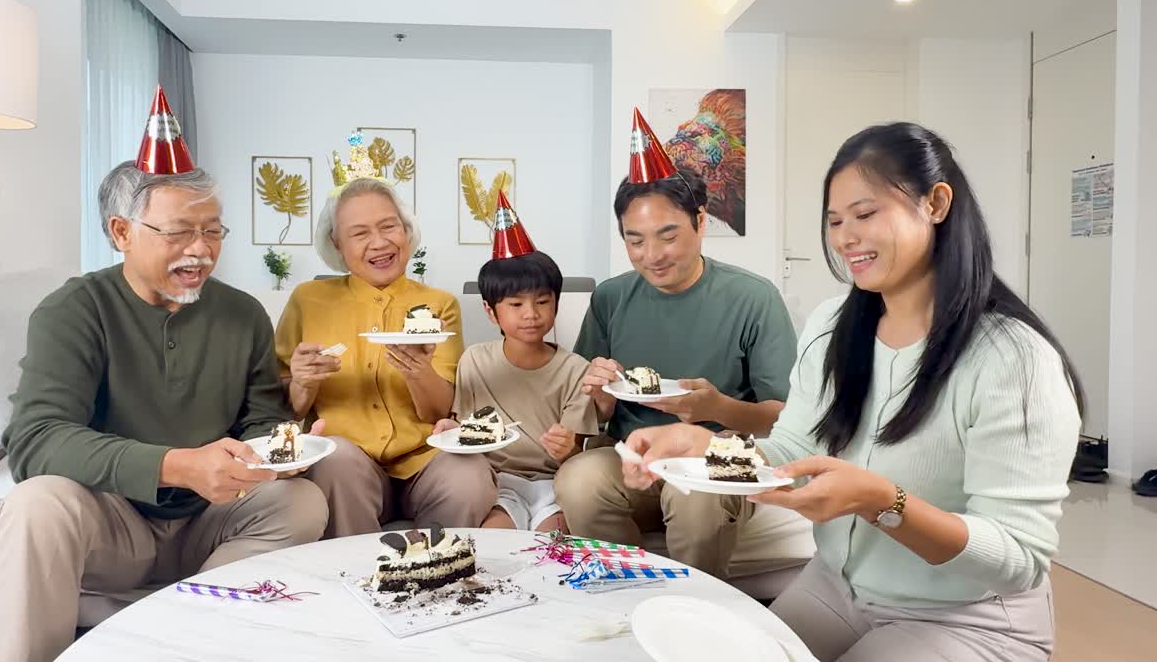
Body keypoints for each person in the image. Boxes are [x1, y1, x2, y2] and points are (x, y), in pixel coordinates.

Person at [624, 122, 1081, 661]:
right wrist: (703, 447)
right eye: (835, 221)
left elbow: (1018, 559)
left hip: (968, 615)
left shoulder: (1013, 359)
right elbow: (791, 451)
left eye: (865, 215)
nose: (844, 238)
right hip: (839, 587)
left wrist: (881, 502)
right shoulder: (832, 326)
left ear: (935, 203)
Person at [0, 87, 329, 662]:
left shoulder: (241, 313)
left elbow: (262, 416)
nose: (201, 251)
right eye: (179, 233)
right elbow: (35, 441)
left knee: (301, 502)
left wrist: (268, 455)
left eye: (213, 231)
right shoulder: (75, 310)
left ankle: (188, 631)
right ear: (121, 232)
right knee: (37, 503)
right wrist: (177, 465)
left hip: (208, 522)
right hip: (114, 523)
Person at [555, 108, 812, 580]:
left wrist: (717, 407)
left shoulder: (753, 298)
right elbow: (593, 411)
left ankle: (693, 614)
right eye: (635, 241)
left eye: (667, 235)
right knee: (578, 480)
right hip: (632, 458)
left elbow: (786, 416)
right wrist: (599, 396)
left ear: (699, 220)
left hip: (717, 456)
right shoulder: (611, 297)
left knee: (694, 500)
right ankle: (625, 593)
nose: (651, 256)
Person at [276, 145, 496, 537]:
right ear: (338, 247)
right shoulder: (307, 301)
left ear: (407, 232)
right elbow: (279, 412)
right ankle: (362, 576)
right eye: (359, 234)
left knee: (470, 472)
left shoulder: (438, 304)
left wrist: (419, 372)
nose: (379, 243)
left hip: (424, 460)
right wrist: (302, 384)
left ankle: (437, 571)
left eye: (389, 226)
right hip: (349, 463)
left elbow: (440, 411)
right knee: (335, 459)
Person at [432, 192, 598, 532]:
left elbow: (576, 452)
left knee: (551, 551)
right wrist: (451, 430)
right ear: (490, 311)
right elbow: (465, 430)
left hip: (555, 486)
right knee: (494, 546)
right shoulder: (475, 361)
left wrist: (568, 448)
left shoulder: (575, 369)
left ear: (556, 303)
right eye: (516, 305)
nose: (532, 315)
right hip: (497, 485)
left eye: (542, 301)